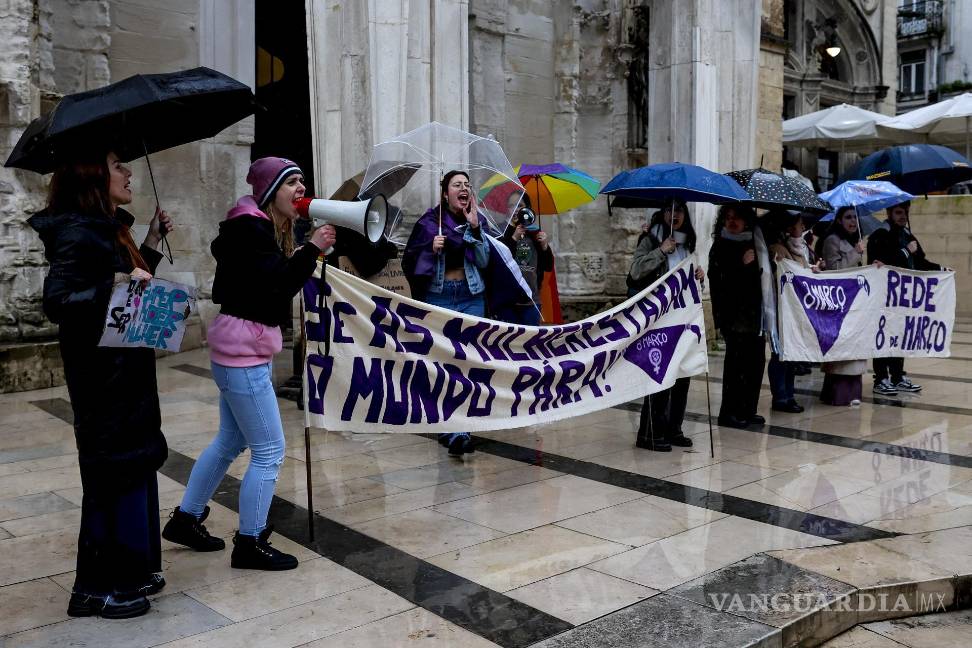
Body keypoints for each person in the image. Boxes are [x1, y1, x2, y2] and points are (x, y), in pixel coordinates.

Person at [162, 157, 335, 571]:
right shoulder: (250, 230)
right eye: (291, 181)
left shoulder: (253, 228)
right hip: (243, 355)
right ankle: (250, 541)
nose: (300, 188)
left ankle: (187, 519)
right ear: (269, 189)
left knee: (230, 441)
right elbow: (277, 281)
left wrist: (306, 248)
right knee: (270, 450)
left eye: (302, 181)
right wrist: (313, 248)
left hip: (237, 351)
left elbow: (271, 282)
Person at [28, 151, 173, 619]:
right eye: (117, 165)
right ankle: (115, 586)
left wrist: (148, 243)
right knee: (116, 472)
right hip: (104, 380)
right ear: (90, 173)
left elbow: (125, 289)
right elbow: (60, 300)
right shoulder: (78, 229)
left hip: (122, 373)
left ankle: (95, 588)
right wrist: (116, 280)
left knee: (118, 473)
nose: (128, 172)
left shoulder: (107, 226)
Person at [402, 170, 490, 456]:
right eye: (457, 184)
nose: (464, 188)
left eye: (467, 184)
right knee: (444, 361)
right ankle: (450, 426)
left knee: (467, 361)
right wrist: (430, 247)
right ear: (445, 193)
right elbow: (409, 260)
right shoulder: (429, 223)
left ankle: (459, 428)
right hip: (439, 296)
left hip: (470, 296)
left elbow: (484, 260)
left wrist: (475, 230)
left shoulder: (475, 220)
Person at [627, 201, 704, 450]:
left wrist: (699, 278)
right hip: (660, 321)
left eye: (680, 210)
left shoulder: (688, 243)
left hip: (683, 320)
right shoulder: (650, 239)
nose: (675, 215)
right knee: (660, 373)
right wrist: (661, 251)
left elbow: (691, 286)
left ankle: (673, 428)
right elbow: (636, 271)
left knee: (682, 375)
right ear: (663, 214)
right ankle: (649, 433)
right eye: (670, 210)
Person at [867, 200, 944, 395]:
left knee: (900, 336)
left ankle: (898, 376)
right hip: (885, 296)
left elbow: (920, 262)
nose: (903, 216)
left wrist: (941, 270)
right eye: (899, 212)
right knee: (885, 337)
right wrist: (905, 251)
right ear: (889, 212)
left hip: (904, 296)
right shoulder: (880, 235)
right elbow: (880, 264)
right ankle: (881, 378)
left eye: (906, 212)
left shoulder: (907, 235)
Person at [708, 205, 766, 429]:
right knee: (736, 366)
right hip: (733, 316)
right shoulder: (721, 246)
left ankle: (748, 410)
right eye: (728, 218)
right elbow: (721, 282)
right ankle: (729, 413)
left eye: (737, 218)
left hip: (754, 316)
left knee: (755, 364)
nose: (732, 222)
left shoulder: (755, 242)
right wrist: (743, 266)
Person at [766, 211, 824, 413]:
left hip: (795, 310)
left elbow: (801, 272)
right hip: (783, 309)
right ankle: (780, 396)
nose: (802, 228)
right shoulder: (778, 248)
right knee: (780, 354)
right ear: (791, 227)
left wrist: (812, 270)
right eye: (800, 225)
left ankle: (789, 394)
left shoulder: (800, 248)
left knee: (791, 354)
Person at [816, 206, 869, 407]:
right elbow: (835, 270)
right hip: (839, 304)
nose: (853, 221)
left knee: (855, 350)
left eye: (855, 217)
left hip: (855, 302)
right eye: (848, 217)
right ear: (839, 220)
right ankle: (837, 394)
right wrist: (855, 254)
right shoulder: (832, 240)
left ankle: (852, 393)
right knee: (842, 350)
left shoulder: (855, 240)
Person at [497, 193, 553, 326]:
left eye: (520, 205)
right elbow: (499, 261)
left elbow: (548, 266)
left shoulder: (534, 233)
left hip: (531, 302)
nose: (516, 209)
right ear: (507, 209)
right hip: (507, 302)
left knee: (530, 342)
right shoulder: (500, 231)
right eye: (512, 205)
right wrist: (514, 238)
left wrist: (545, 246)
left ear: (527, 208)